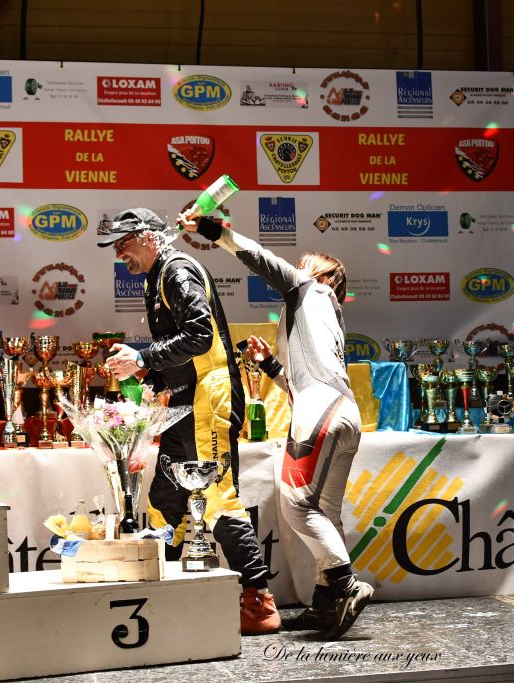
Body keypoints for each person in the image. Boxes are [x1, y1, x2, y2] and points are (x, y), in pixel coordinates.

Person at [179, 212, 373, 640]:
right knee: (324, 512)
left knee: (297, 506)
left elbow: (259, 258)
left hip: (319, 411)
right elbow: (299, 379)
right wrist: (269, 365)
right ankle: (325, 605)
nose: (297, 265)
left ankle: (344, 584)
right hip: (342, 411)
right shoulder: (324, 313)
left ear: (323, 275)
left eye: (305, 262)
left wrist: (213, 231)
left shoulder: (309, 288)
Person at [98, 208, 280, 635]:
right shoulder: (160, 273)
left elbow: (200, 335)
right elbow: (182, 344)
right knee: (165, 494)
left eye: (123, 244)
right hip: (186, 398)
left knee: (217, 496)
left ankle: (259, 600)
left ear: (145, 236)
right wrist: (152, 375)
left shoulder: (176, 271)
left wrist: (143, 357)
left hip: (207, 401)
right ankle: (169, 590)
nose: (119, 253)